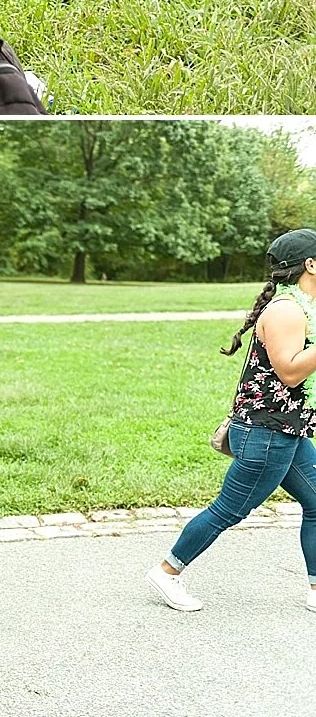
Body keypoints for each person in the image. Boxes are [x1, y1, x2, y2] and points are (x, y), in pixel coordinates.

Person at [148, 227, 316, 615]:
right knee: (229, 510)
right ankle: (166, 570)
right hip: (266, 434)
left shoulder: (301, 306)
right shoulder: (286, 311)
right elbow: (290, 372)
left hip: (285, 428)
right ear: (309, 264)